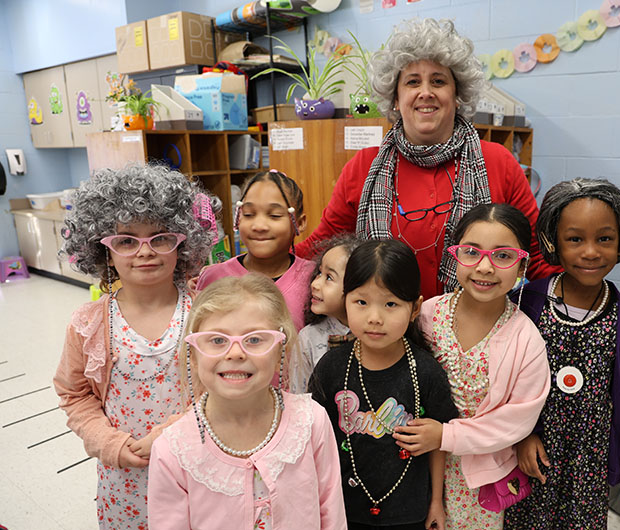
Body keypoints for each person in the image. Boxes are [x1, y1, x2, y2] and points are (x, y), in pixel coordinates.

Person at [295, 18, 561, 299]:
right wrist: (268, 256)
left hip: (478, 321)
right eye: (412, 82)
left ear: (457, 94)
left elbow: (536, 254)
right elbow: (321, 247)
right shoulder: (363, 167)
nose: (425, 92)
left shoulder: (498, 162)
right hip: (384, 324)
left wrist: (579, 294)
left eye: (438, 81)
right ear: (395, 97)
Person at [53, 164, 220, 530]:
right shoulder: (88, 324)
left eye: (160, 238)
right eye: (126, 241)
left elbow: (225, 388)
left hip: (198, 468)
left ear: (183, 243)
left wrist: (171, 434)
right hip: (126, 483)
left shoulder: (207, 315)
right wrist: (107, 442)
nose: (145, 251)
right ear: (104, 250)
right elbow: (74, 394)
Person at [391, 203, 551, 530]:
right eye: (472, 252)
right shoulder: (427, 316)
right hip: (414, 464)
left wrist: (446, 435)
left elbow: (515, 422)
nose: (485, 267)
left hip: (479, 480)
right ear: (455, 255)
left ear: (522, 266)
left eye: (503, 256)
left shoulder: (525, 339)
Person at [503, 178, 620, 530]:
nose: (591, 252)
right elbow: (505, 381)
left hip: (590, 463)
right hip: (531, 453)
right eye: (574, 239)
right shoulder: (525, 303)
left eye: (605, 239)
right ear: (552, 242)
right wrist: (522, 435)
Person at [147, 274, 347, 530]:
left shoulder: (311, 421)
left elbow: (332, 517)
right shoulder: (172, 450)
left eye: (254, 339)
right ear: (193, 356)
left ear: (280, 350)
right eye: (217, 340)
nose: (235, 353)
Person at [309, 240, 459, 530]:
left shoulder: (425, 371)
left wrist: (436, 502)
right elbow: (317, 441)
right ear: (346, 300)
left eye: (390, 304)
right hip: (343, 511)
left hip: (410, 514)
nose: (375, 318)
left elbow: (438, 444)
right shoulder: (331, 367)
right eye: (361, 302)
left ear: (415, 308)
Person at [195, 169, 315, 332]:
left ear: (299, 223)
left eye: (274, 215)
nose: (259, 226)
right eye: (249, 214)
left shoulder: (314, 280)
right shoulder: (213, 279)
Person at [291, 233, 363, 394]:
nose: (315, 284)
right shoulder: (308, 338)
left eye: (329, 277)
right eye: (319, 273)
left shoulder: (376, 332)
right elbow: (299, 397)